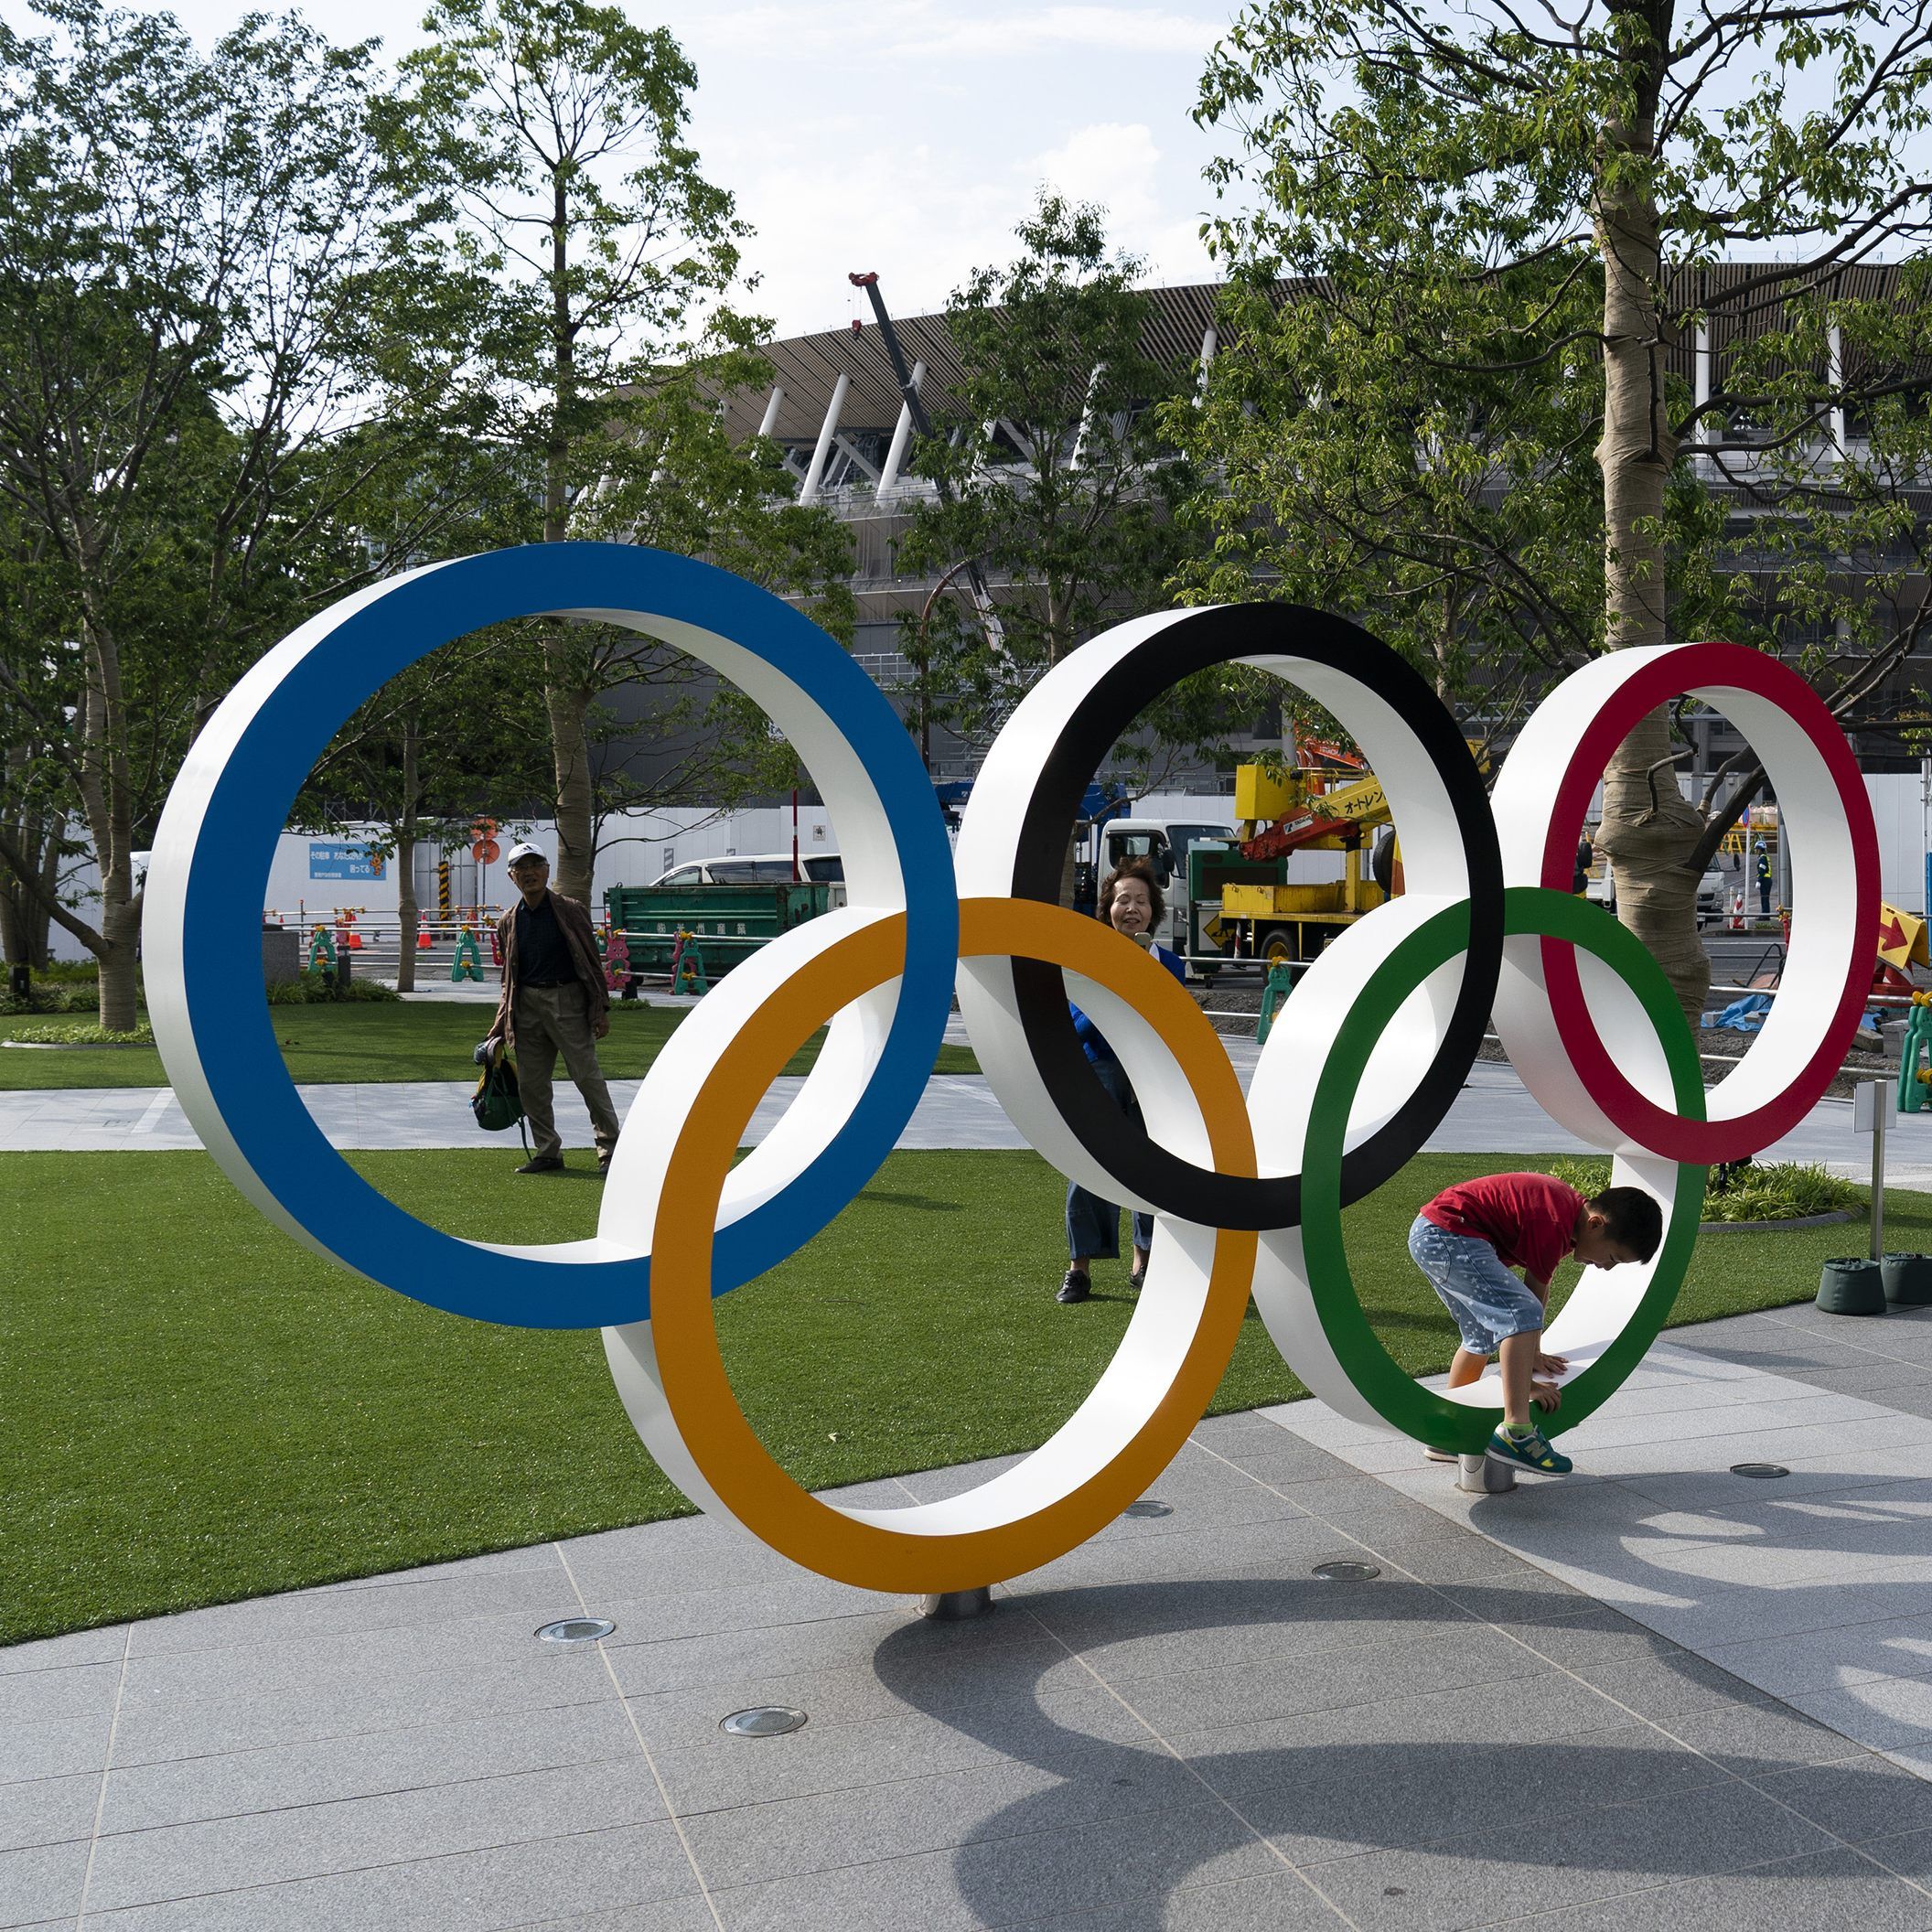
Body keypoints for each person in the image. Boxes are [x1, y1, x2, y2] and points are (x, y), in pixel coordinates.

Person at [1408, 1172, 1662, 1474]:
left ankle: (1447, 1433)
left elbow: (1539, 1286)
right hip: (1447, 1234)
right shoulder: (1554, 1219)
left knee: (1481, 1335)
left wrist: (1533, 1353)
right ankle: (1517, 1431)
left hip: (1436, 1234)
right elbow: (1530, 1300)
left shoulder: (1567, 1221)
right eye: (1613, 1258)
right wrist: (1527, 1382)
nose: (1606, 1267)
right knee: (1520, 1311)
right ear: (1596, 1224)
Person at [1057, 860, 1186, 1305]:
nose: (1132, 908)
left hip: (1152, 1079)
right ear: (1107, 908)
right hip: (1101, 1072)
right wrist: (1121, 983)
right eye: (1122, 900)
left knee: (1151, 1169)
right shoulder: (1086, 958)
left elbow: (1177, 1026)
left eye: (1141, 901)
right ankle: (1079, 1270)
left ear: (1154, 912)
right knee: (1090, 1166)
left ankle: (1144, 1262)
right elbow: (1074, 1027)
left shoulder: (1170, 963)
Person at [480, 842, 622, 1175]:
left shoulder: (570, 909)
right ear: (511, 876)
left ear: (546, 870)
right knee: (531, 1085)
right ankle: (548, 1151)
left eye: (535, 865)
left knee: (587, 1077)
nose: (529, 872)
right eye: (521, 868)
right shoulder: (508, 921)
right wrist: (502, 1021)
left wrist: (599, 1008)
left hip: (568, 999)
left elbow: (590, 960)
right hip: (526, 1006)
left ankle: (611, 1150)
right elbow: (509, 977)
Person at [1755, 838, 1773, 919]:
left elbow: (1762, 870)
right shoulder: (1765, 857)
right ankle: (1766, 915)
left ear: (1760, 850)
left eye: (1757, 849)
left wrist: (1759, 881)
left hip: (1765, 880)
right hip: (1767, 880)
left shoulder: (1762, 858)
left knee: (1764, 898)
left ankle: (1764, 915)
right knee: (1766, 898)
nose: (1755, 851)